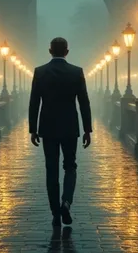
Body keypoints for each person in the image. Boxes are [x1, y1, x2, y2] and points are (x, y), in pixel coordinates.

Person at [28, 37, 92, 228]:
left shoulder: (40, 72)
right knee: (70, 166)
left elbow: (34, 103)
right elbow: (84, 102)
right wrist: (87, 129)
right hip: (70, 127)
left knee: (51, 170)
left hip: (47, 128)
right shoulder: (76, 72)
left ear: (50, 51)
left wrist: (33, 129)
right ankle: (66, 202)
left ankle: (55, 213)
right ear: (67, 51)